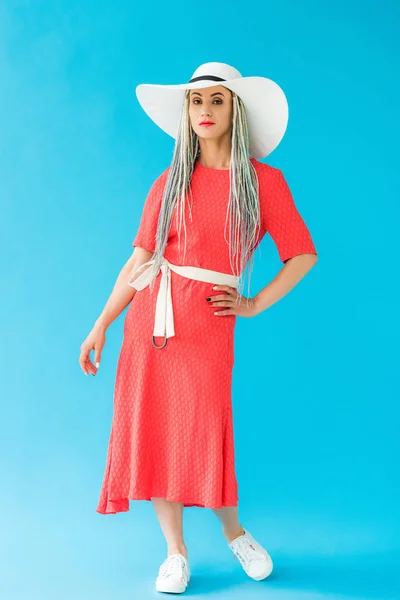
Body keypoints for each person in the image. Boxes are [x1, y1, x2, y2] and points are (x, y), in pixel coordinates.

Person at [79, 61, 318, 594]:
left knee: (207, 429)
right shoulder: (168, 182)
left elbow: (301, 254)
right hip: (151, 325)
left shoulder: (263, 182)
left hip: (208, 327)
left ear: (235, 110)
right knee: (159, 431)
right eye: (196, 101)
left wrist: (253, 304)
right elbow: (139, 260)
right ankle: (175, 552)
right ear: (186, 114)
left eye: (217, 100)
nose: (205, 110)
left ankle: (235, 533)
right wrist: (101, 324)